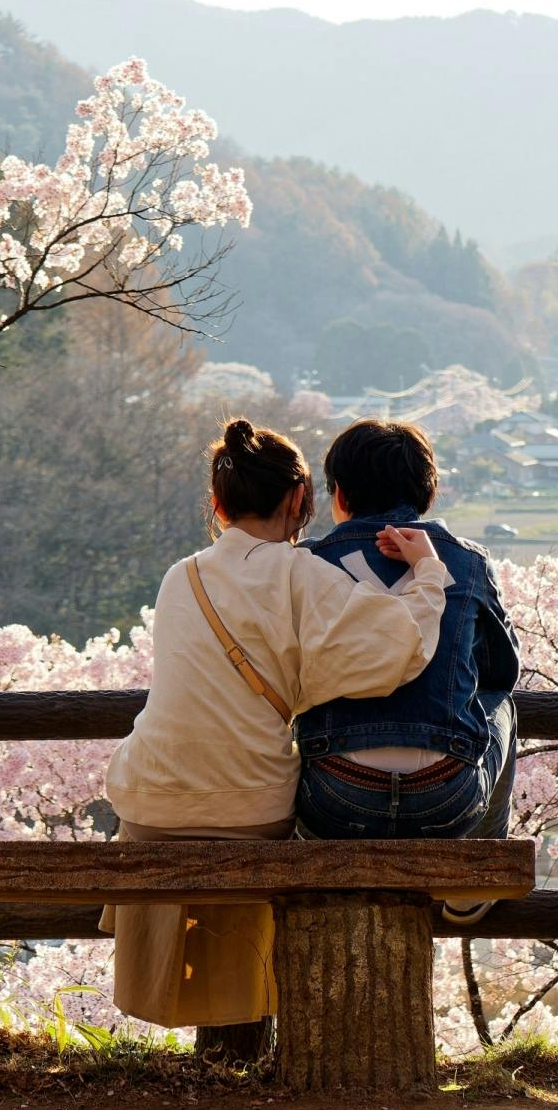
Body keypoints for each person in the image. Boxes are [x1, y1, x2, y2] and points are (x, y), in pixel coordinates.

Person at [102, 418, 454, 1030]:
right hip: (249, 807)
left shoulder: (179, 577)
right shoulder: (302, 574)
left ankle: (176, 1006)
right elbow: (394, 649)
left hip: (148, 798)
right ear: (299, 500)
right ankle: (244, 1015)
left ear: (217, 506)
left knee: (155, 819)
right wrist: (428, 574)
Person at [292, 419, 521, 924]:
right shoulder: (467, 561)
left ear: (339, 494)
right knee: (501, 704)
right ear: (426, 493)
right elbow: (502, 671)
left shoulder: (305, 563)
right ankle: (475, 877)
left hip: (334, 797)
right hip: (446, 797)